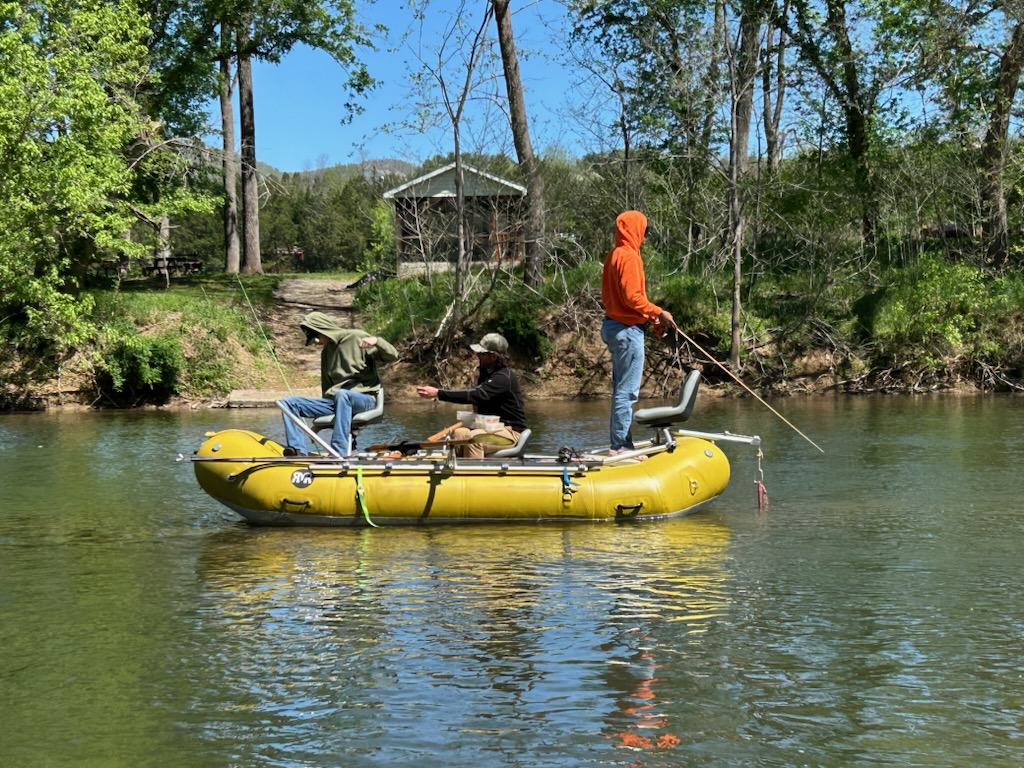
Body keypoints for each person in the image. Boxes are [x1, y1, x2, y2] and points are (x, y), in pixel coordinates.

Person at [600, 210, 675, 452]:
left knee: (620, 390)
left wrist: (651, 317)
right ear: (635, 231)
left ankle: (619, 442)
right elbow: (633, 297)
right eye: (643, 233)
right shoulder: (630, 258)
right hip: (627, 331)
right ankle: (621, 446)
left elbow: (622, 298)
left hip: (613, 326)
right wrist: (659, 312)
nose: (644, 238)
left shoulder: (614, 254)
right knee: (627, 392)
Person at [278, 311, 398, 456]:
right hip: (336, 401)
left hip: (364, 399)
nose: (317, 342)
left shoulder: (356, 337)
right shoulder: (326, 353)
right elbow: (327, 387)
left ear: (324, 330)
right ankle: (297, 450)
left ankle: (338, 451)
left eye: (316, 337)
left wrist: (377, 341)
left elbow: (393, 356)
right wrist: (318, 424)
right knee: (288, 402)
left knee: (343, 395)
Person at [414, 333, 528, 458]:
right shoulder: (486, 374)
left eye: (482, 354)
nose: (477, 356)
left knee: (474, 439)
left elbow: (477, 395)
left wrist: (438, 393)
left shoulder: (503, 378)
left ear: (494, 356)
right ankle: (456, 472)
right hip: (491, 427)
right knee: (459, 433)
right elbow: (478, 400)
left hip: (511, 432)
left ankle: (475, 475)